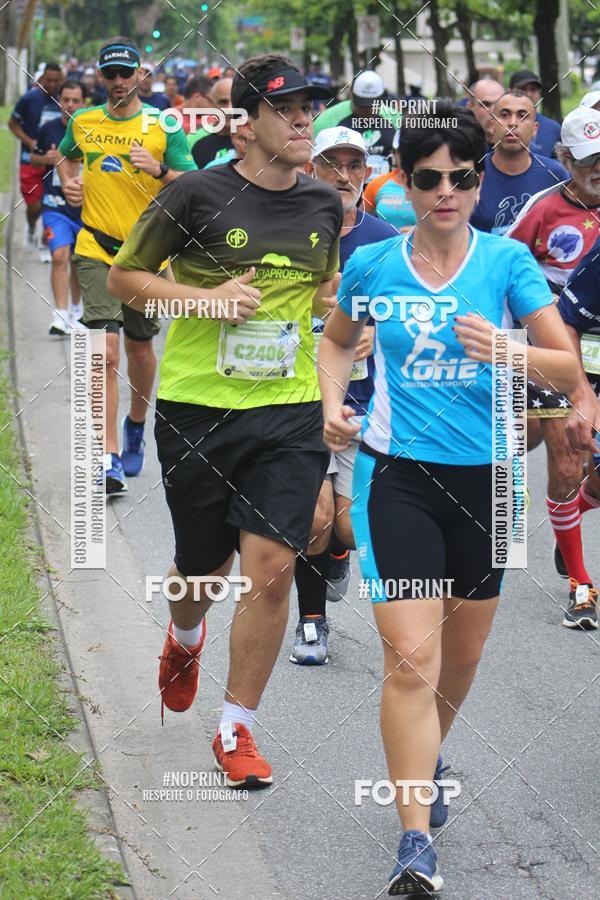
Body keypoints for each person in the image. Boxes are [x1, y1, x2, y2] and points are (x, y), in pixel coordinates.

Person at [316, 103, 578, 895]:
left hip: (491, 481)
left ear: (473, 182)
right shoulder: (372, 265)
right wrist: (332, 404)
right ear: (406, 181)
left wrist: (509, 347)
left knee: (459, 661)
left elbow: (566, 371)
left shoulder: (506, 263)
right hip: (398, 476)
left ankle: (426, 758)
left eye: (460, 178)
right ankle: (414, 839)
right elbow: (335, 342)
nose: (446, 192)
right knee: (412, 658)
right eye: (428, 178)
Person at [107, 54, 340, 788]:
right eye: (288, 107)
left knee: (270, 572)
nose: (305, 119)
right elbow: (124, 279)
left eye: (311, 106)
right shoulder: (194, 195)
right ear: (246, 123)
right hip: (198, 411)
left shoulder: (325, 203)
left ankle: (236, 729)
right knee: (201, 572)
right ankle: (183, 636)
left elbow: (321, 293)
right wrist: (201, 300)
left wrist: (338, 325)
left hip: (288, 412)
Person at [57, 36, 195, 494]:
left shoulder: (163, 125)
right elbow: (64, 156)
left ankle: (137, 422)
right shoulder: (84, 121)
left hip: (145, 257)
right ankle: (108, 455)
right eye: (110, 74)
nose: (118, 81)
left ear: (141, 75)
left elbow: (192, 183)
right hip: (95, 249)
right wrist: (71, 184)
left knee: (139, 351)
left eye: (125, 73)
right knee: (105, 355)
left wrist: (158, 169)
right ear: (101, 77)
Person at [289, 127, 397, 666]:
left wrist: (382, 327)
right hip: (298, 398)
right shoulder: (286, 227)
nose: (344, 175)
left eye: (355, 165)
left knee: (349, 528)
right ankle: (311, 624)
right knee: (312, 517)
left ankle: (335, 554)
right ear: (311, 168)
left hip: (364, 400)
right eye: (332, 163)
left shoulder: (384, 238)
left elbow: (411, 306)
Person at [506, 106, 600, 627]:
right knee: (566, 461)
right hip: (557, 343)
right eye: (590, 160)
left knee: (594, 476)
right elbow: (502, 267)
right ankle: (581, 584)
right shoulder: (542, 210)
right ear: (564, 158)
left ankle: (575, 512)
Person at [555, 241, 600, 626]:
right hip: (585, 367)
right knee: (567, 472)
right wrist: (581, 396)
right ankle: (581, 586)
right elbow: (566, 320)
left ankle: (570, 518)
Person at [30, 79, 86, 336]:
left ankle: (76, 310)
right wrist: (46, 159)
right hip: (54, 207)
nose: (70, 105)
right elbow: (34, 156)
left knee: (77, 261)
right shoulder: (49, 129)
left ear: (83, 103)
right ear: (59, 101)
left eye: (76, 101)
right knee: (59, 256)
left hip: (85, 211)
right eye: (66, 100)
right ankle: (60, 313)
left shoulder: (91, 131)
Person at [471, 90, 568, 234]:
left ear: (535, 129)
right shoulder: (472, 173)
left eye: (522, 116)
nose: (512, 123)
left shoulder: (556, 175)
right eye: (504, 115)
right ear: (492, 125)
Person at [9, 62, 63, 246]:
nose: (53, 84)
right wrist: (30, 142)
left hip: (55, 164)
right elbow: (12, 124)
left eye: (57, 81)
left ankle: (47, 239)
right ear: (42, 79)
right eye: (49, 80)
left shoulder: (64, 101)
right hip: (30, 161)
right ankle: (31, 225)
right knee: (35, 206)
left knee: (52, 204)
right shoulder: (29, 99)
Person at [314, 71, 398, 180]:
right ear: (351, 94)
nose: (368, 110)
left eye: (373, 105)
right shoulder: (327, 120)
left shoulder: (396, 120)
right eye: (362, 105)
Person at [362, 129, 416, 230]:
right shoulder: (377, 184)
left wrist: (417, 233)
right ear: (394, 154)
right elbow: (359, 222)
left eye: (411, 151)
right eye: (401, 151)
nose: (406, 156)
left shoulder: (432, 184)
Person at [509, 69, 561, 158]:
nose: (529, 94)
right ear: (509, 91)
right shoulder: (501, 126)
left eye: (533, 89)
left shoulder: (554, 129)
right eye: (523, 89)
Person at [189, 77, 235, 167]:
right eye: (223, 102)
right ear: (213, 105)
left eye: (234, 101)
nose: (230, 109)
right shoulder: (194, 139)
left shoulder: (253, 139)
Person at [465, 78, 504, 144]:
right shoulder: (458, 146)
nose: (493, 112)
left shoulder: (520, 144)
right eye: (485, 104)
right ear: (470, 107)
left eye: (499, 104)